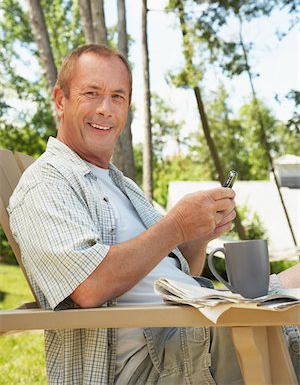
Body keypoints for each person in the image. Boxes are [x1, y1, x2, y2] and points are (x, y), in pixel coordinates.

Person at [8, 44, 299, 385]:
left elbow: (180, 273)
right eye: (92, 93)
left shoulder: (121, 184)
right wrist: (175, 226)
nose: (106, 109)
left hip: (197, 324)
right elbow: (88, 286)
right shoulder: (46, 184)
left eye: (118, 97)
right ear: (60, 100)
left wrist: (197, 238)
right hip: (157, 362)